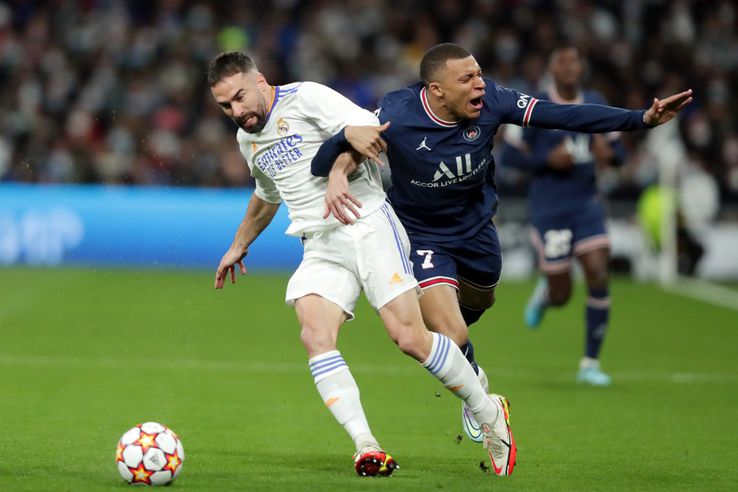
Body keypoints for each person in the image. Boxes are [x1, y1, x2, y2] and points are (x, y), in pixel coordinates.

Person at [311, 43, 691, 434]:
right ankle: (476, 391)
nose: (480, 84)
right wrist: (339, 167)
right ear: (436, 90)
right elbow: (335, 151)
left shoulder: (493, 100)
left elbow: (561, 115)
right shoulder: (396, 112)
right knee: (453, 333)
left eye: (478, 74)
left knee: (482, 299)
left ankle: (465, 362)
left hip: (477, 230)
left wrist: (641, 119)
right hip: (422, 235)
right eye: (467, 78)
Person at [207, 51, 517, 477]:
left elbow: (369, 128)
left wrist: (336, 173)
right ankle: (366, 445)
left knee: (409, 337)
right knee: (315, 335)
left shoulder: (307, 97)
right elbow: (268, 195)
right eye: (226, 106)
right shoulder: (249, 140)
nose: (237, 111)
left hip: (367, 222)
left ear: (260, 80)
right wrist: (239, 244)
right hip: (319, 243)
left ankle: (487, 411)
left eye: (240, 97)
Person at [500, 44, 626, 385]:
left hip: (587, 203)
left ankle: (590, 363)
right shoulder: (534, 105)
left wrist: (608, 153)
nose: (570, 67)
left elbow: (619, 153)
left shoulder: (596, 101)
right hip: (550, 208)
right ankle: (546, 293)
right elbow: (508, 158)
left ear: (582, 68)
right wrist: (545, 161)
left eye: (575, 61)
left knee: (598, 272)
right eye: (562, 61)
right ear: (552, 69)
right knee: (562, 294)